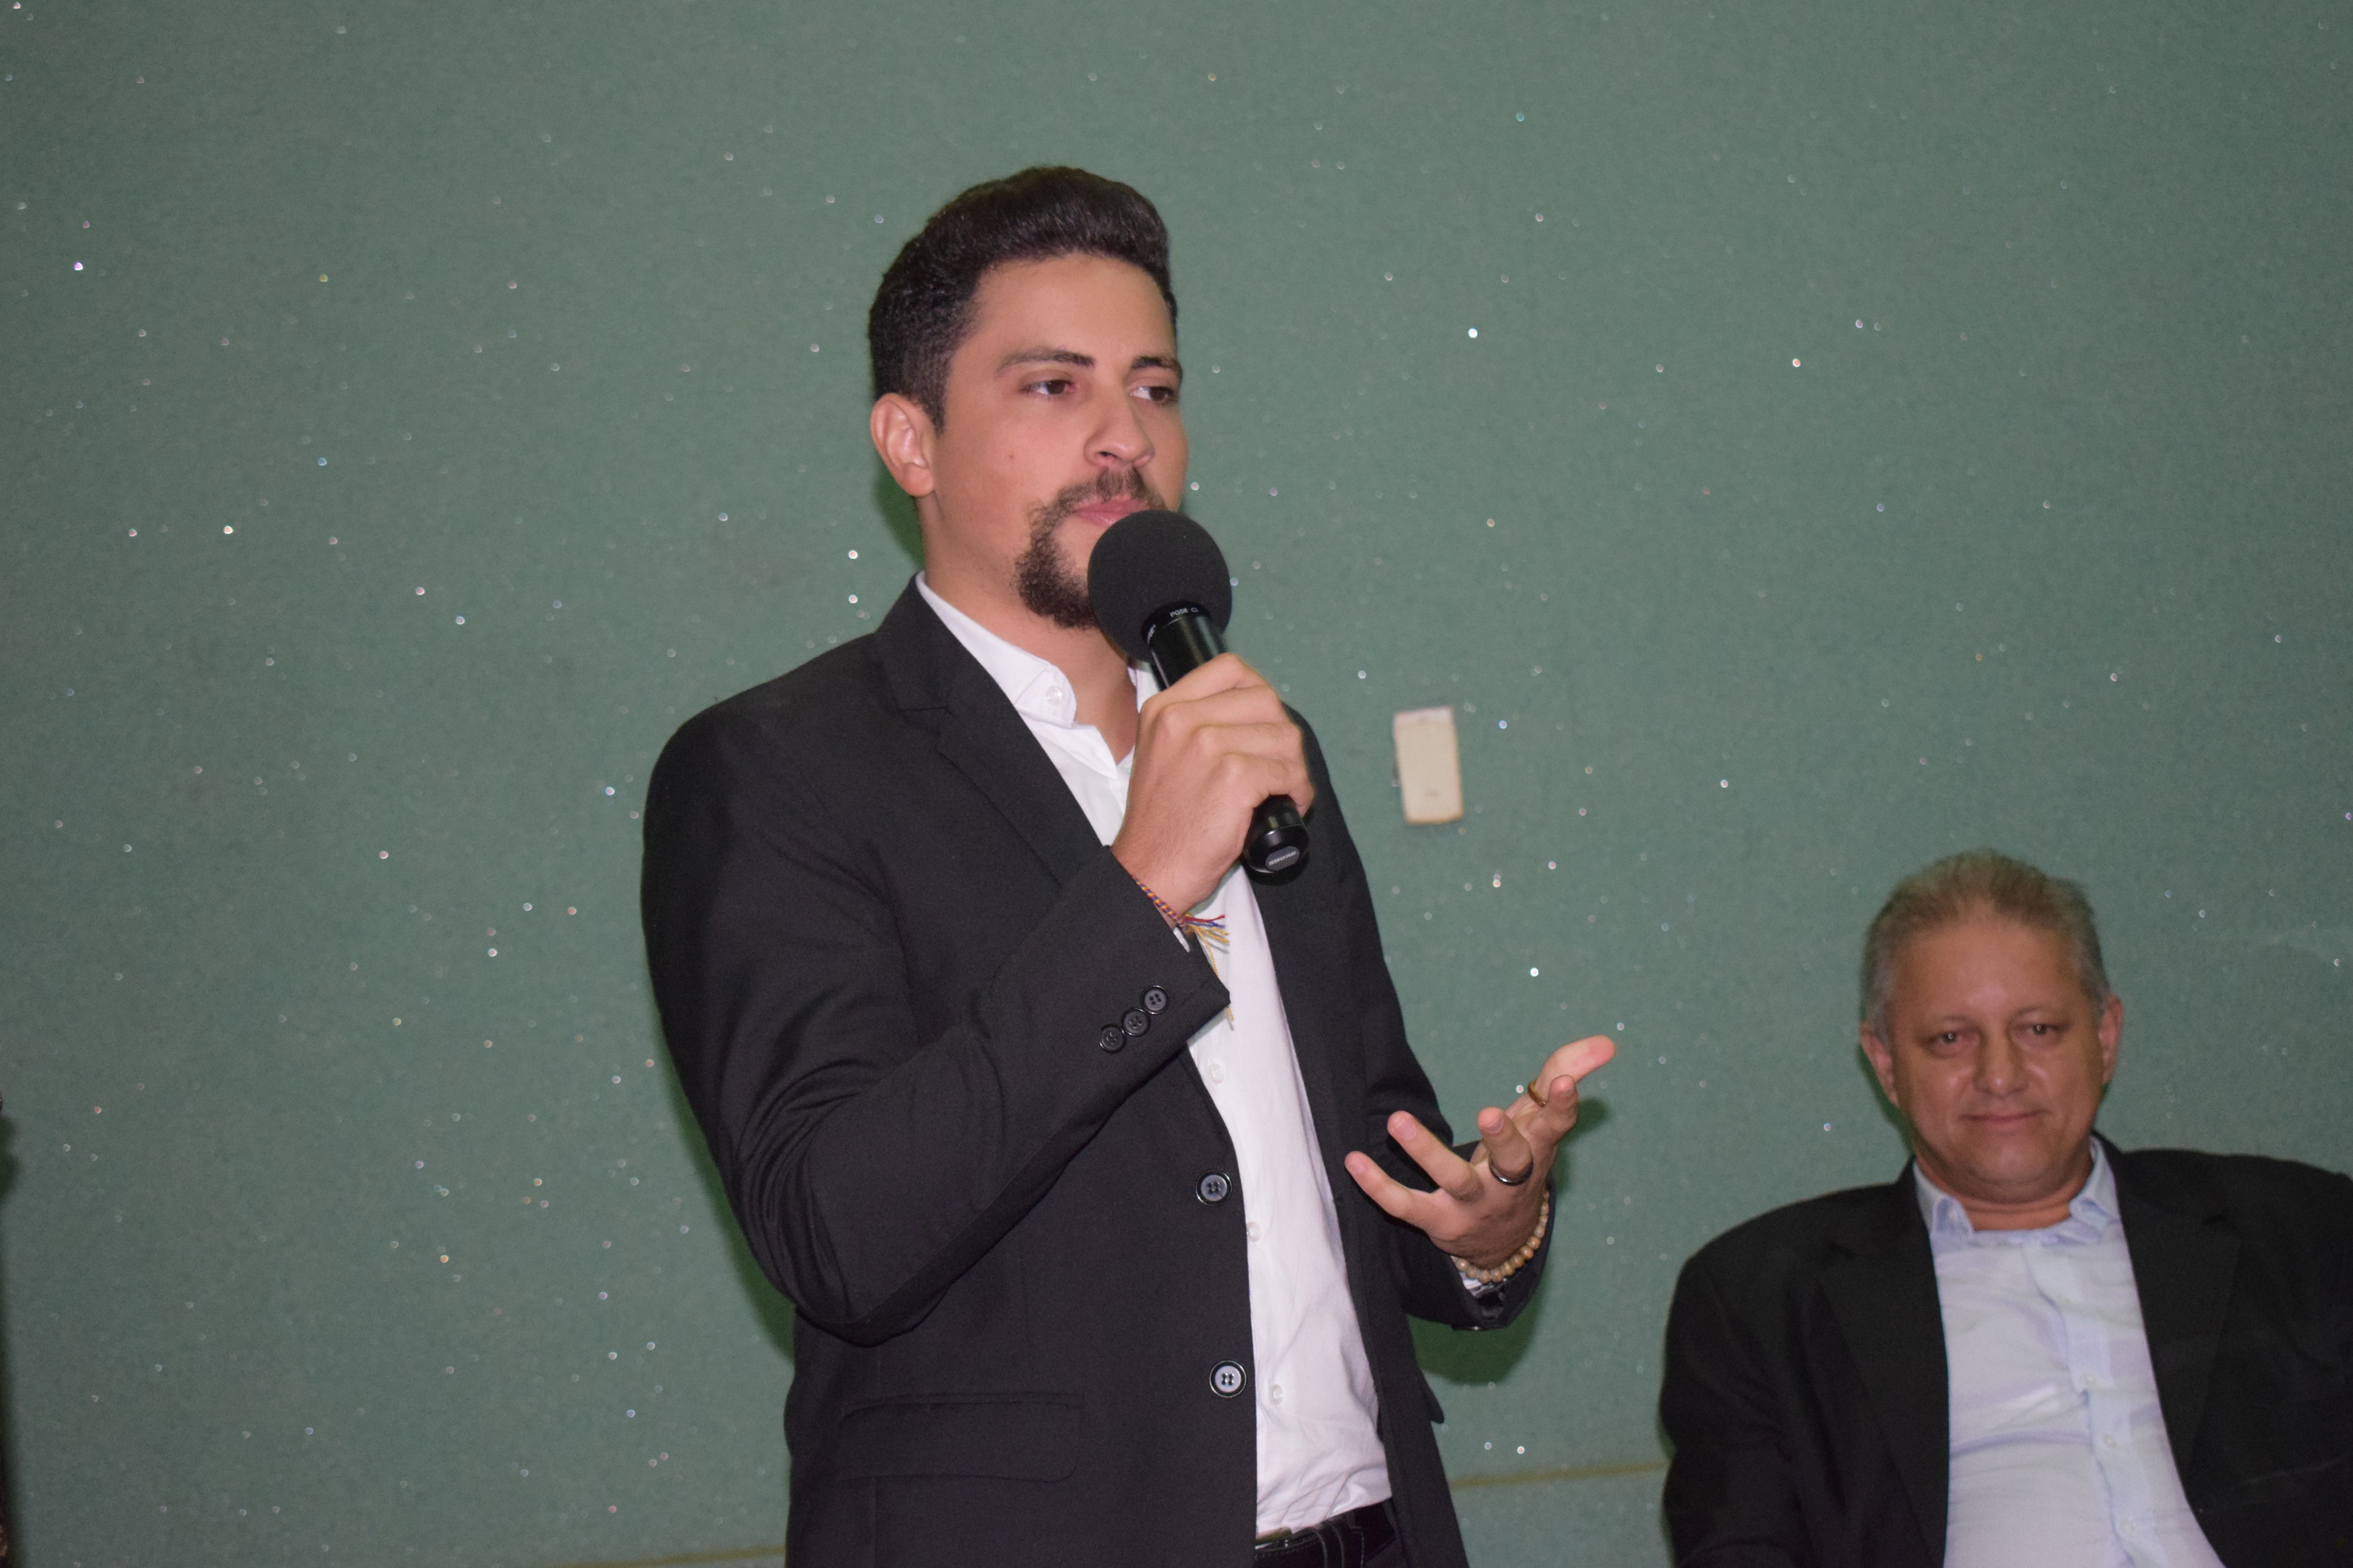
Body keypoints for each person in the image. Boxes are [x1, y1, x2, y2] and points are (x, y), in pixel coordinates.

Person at [640, 166, 1615, 1568]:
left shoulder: (1258, 740)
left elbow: (1365, 1148)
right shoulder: (775, 770)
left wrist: (1484, 1224)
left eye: (1154, 388)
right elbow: (834, 1229)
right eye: (1054, 386)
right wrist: (1141, 885)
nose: (1123, 437)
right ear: (910, 442)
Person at [1658, 848, 2353, 1567]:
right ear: (1886, 1063)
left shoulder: (2304, 1231)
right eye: (1950, 1039)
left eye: (2038, 1029)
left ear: (2104, 1037)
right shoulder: (1761, 1300)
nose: (1999, 1075)